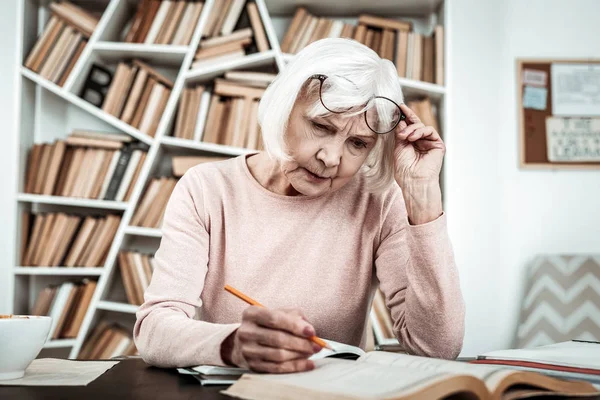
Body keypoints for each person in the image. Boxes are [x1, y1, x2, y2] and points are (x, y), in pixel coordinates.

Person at [133, 38, 465, 373]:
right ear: (284, 105)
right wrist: (232, 345)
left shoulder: (379, 201)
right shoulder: (205, 188)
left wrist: (422, 197)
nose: (331, 158)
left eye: (357, 143)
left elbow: (437, 348)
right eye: (321, 126)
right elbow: (154, 328)